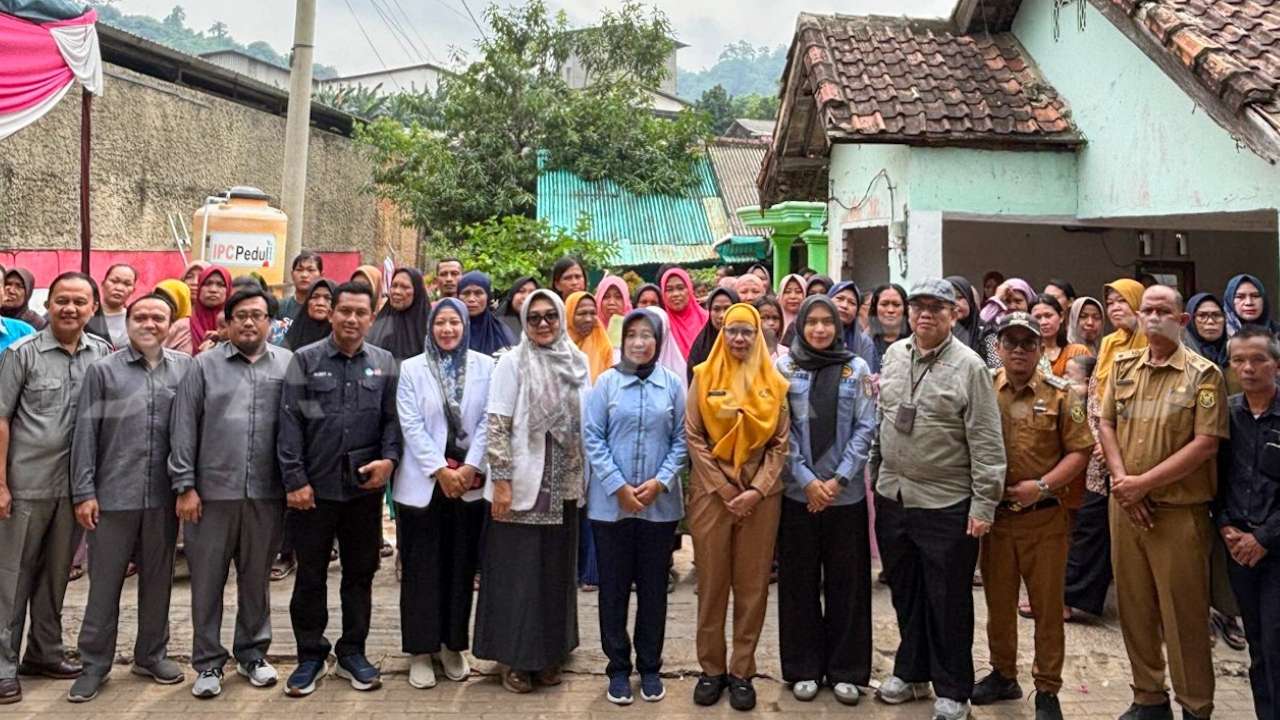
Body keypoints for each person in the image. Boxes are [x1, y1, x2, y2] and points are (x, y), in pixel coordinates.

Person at [869, 279, 1005, 720]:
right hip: (895, 495)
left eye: (936, 308)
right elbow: (883, 420)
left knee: (947, 600)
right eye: (918, 307)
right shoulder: (893, 355)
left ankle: (953, 689)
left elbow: (987, 442)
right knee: (906, 593)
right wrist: (877, 475)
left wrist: (984, 506)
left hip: (946, 502)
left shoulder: (970, 367)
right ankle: (912, 674)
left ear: (954, 314)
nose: (925, 314)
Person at [1099, 285, 1227, 720]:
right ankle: (1148, 697)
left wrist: (1142, 485)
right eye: (1146, 310)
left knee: (1184, 616)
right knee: (1134, 606)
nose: (1153, 318)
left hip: (1177, 512)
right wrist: (1122, 482)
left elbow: (1206, 444)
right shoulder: (1122, 365)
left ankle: (1194, 705)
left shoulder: (1203, 374)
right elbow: (1104, 423)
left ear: (1182, 320)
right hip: (1126, 508)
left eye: (1163, 311)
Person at [167, 287, 292, 699]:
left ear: (270, 322)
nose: (250, 322)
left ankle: (253, 655)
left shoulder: (287, 365)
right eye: (241, 315)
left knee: (256, 579)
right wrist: (185, 486)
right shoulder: (202, 366)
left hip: (266, 494)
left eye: (257, 315)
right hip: (210, 495)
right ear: (228, 322)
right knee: (207, 581)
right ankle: (207, 663)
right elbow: (183, 427)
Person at [278, 282, 401, 697]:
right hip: (313, 491)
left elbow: (391, 420)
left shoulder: (384, 363)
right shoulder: (305, 361)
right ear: (331, 313)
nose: (351, 319)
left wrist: (389, 460)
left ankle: (353, 651)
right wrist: (295, 481)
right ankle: (310, 655)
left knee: (360, 574)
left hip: (363, 491)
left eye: (360, 312)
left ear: (371, 316)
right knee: (310, 575)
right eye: (344, 311)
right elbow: (291, 423)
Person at [67, 294, 191, 702]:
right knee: (104, 585)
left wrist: (187, 487)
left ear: (171, 323)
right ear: (129, 322)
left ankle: (151, 655)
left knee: (158, 581)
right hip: (112, 496)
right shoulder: (103, 371)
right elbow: (85, 434)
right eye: (141, 316)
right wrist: (84, 492)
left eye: (158, 317)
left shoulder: (184, 370)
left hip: (162, 499)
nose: (149, 323)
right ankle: (94, 665)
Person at [972, 313, 1091, 720]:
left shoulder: (1062, 395)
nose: (1019, 350)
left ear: (1041, 349)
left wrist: (1040, 486)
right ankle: (1004, 674)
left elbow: (1079, 452)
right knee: (998, 605)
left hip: (1043, 519)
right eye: (1011, 343)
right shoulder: (984, 387)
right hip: (998, 520)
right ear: (999, 348)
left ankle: (1047, 689)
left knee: (1046, 607)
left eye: (1028, 343)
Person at [0, 272, 111, 705]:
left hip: (74, 489)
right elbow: (2, 418)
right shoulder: (21, 353)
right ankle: (3, 666)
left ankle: (43, 653)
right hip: (26, 486)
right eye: (61, 300)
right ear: (49, 306)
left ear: (93, 308)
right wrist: (1, 484)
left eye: (79, 302)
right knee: (11, 579)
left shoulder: (101, 355)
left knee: (55, 577)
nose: (69, 308)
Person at [473, 289, 590, 694]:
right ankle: (516, 659)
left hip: (565, 485)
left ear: (561, 318)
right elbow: (497, 423)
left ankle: (551, 654)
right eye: (534, 317)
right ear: (524, 322)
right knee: (517, 575)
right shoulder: (511, 362)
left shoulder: (577, 362)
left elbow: (584, 423)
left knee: (555, 575)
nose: (542, 324)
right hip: (522, 482)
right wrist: (501, 480)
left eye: (550, 317)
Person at [686, 303, 790, 712]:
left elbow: (781, 443)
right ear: (723, 333)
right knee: (712, 585)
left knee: (752, 587)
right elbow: (693, 436)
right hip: (712, 497)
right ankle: (711, 670)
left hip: (761, 500)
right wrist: (725, 488)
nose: (741, 339)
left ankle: (741, 671)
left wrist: (757, 490)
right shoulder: (703, 377)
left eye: (748, 331)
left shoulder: (774, 382)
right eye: (733, 331)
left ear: (759, 335)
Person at [584, 309, 688, 705]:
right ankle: (617, 669)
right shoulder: (607, 384)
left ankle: (650, 667)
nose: (640, 342)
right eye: (632, 335)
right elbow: (593, 437)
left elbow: (681, 439)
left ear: (658, 342)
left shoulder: (672, 385)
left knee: (653, 590)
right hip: (611, 508)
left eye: (648, 335)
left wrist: (660, 481)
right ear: (622, 340)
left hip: (659, 507)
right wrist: (618, 486)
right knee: (612, 590)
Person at [775, 295, 875, 705]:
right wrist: (807, 480)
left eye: (826, 322)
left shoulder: (857, 368)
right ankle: (803, 667)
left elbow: (867, 426)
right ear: (800, 325)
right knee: (798, 584)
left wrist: (837, 480)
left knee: (847, 585)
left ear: (838, 326)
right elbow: (780, 433)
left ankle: (847, 669)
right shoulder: (784, 368)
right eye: (811, 322)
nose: (819, 329)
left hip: (845, 497)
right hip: (799, 497)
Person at [394, 298, 492, 690]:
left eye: (455, 322)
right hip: (424, 483)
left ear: (465, 326)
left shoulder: (487, 366)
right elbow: (410, 423)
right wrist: (440, 469)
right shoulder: (412, 368)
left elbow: (490, 418)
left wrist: (469, 469)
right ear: (431, 326)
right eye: (441, 323)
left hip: (468, 484)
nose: (448, 330)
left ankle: (452, 645)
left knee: (460, 569)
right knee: (421, 570)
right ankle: (420, 650)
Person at [1218, 326, 1280, 720]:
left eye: (1258, 359)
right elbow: (1215, 479)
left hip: (1274, 548)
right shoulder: (1227, 413)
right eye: (1239, 360)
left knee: (1276, 644)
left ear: (1276, 364)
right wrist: (1226, 526)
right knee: (1257, 644)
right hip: (1237, 546)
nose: (1249, 368)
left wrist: (1263, 537)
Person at [368, 267, 432, 362]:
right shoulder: (381, 322)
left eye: (405, 287)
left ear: (417, 291)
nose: (397, 291)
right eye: (394, 286)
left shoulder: (428, 326)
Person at [685, 287, 739, 384]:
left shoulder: (747, 342)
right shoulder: (701, 347)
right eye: (716, 309)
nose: (722, 315)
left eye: (727, 308)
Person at [1030, 294, 1092, 378]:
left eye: (1048, 316)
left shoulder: (1078, 352)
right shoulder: (1027, 354)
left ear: (1061, 316)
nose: (1043, 322)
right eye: (1038, 317)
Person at [460, 272, 515, 357]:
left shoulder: (501, 332)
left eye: (478, 293)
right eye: (466, 293)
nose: (471, 299)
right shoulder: (449, 330)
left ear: (488, 296)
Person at [828, 281, 878, 371]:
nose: (844, 305)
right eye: (840, 298)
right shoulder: (815, 334)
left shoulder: (864, 343)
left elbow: (867, 379)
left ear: (857, 311)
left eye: (852, 303)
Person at [661, 268, 706, 359]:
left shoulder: (707, 320)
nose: (675, 294)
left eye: (680, 288)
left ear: (689, 289)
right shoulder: (662, 324)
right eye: (669, 289)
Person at [283, 279, 338, 352]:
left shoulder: (342, 339)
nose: (320, 303)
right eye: (315, 297)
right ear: (307, 303)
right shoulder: (293, 336)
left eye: (328, 298)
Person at [189, 266, 232, 355]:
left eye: (220, 285)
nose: (213, 290)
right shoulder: (182, 327)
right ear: (199, 287)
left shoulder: (237, 328)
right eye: (208, 284)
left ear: (228, 290)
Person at [867, 283, 909, 372]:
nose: (890, 310)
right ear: (875, 308)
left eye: (896, 304)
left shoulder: (917, 342)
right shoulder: (864, 342)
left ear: (905, 308)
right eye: (884, 304)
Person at [98, 264, 138, 347]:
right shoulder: (87, 315)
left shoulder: (135, 321)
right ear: (103, 284)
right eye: (114, 281)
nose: (119, 288)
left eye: (127, 284)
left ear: (133, 290)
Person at [280, 251, 323, 321]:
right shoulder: (281, 307)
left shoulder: (326, 309)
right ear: (292, 274)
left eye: (311, 270)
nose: (304, 275)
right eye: (299, 270)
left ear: (321, 276)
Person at [947, 275, 984, 351]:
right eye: (949, 299)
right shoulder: (936, 332)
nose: (955, 303)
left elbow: (996, 362)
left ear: (969, 299)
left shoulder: (987, 331)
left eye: (959, 297)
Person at [498, 275, 538, 340]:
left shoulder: (545, 326)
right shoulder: (496, 327)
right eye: (521, 291)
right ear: (512, 295)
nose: (527, 297)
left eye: (532, 292)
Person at [595, 275, 632, 344]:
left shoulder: (634, 329)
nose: (611, 302)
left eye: (618, 297)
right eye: (606, 297)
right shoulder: (590, 331)